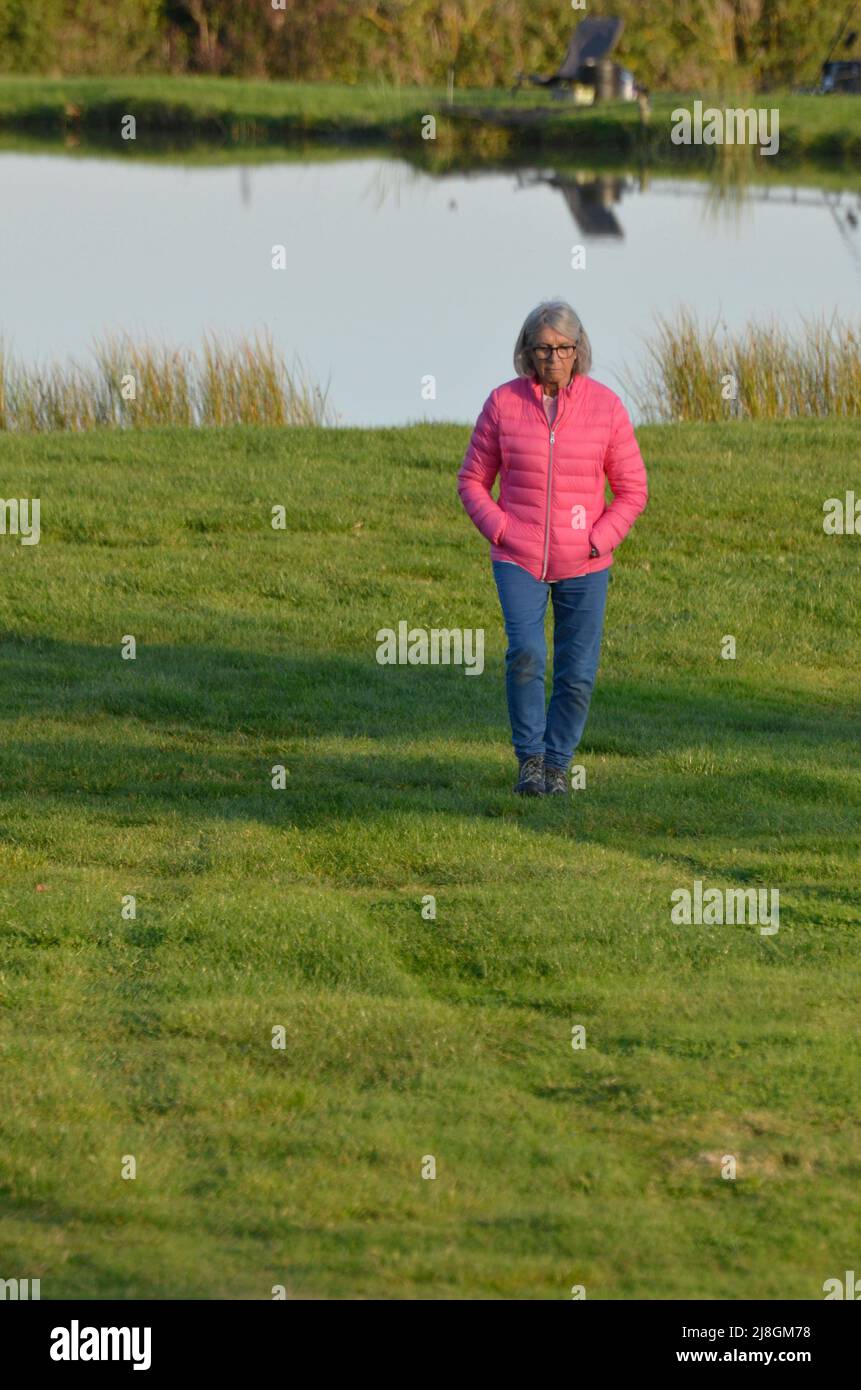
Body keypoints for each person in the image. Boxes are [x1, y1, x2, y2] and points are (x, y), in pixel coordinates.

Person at [457, 300, 648, 795]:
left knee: (578, 673)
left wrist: (598, 540)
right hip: (517, 557)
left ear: (578, 351)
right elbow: (472, 481)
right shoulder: (502, 404)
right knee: (524, 653)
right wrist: (500, 530)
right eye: (542, 348)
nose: (553, 357)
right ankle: (531, 763)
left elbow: (632, 490)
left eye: (563, 348)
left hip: (585, 564)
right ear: (526, 351)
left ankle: (559, 767)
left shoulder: (606, 407)